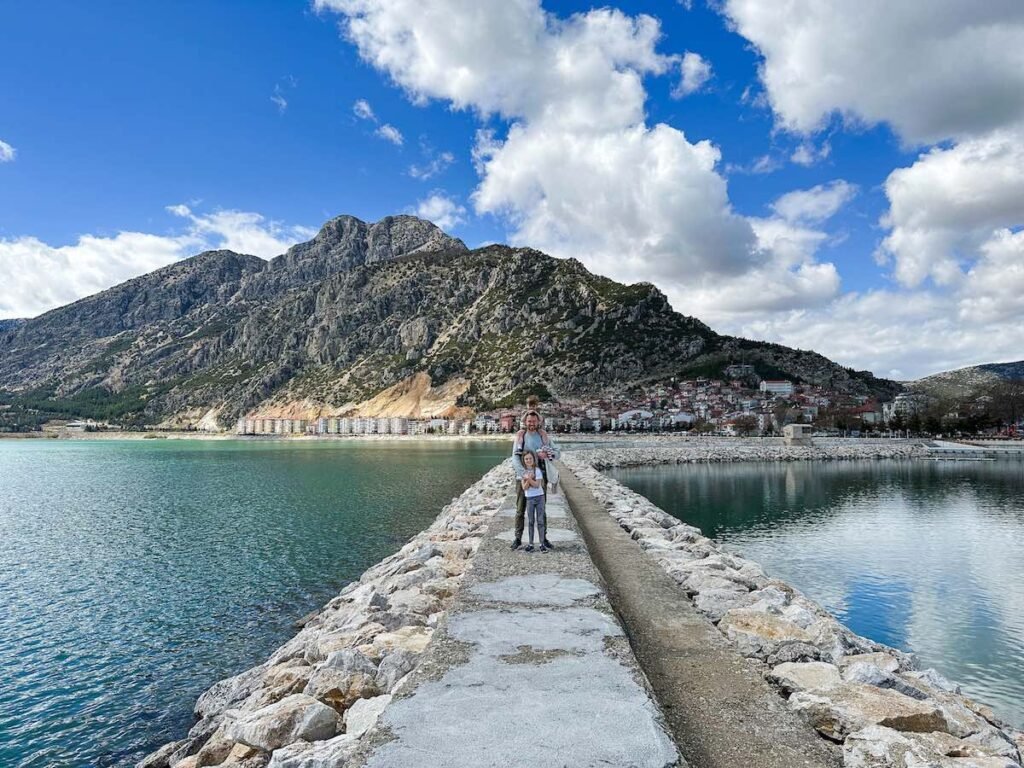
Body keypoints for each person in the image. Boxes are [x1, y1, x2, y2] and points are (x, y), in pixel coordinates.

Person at [511, 403, 559, 550]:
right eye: (529, 421)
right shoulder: (520, 437)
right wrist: (524, 474)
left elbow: (558, 453)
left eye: (534, 421)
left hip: (540, 478)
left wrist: (548, 454)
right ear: (525, 422)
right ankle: (518, 539)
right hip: (523, 479)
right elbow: (514, 458)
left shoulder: (544, 437)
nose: (531, 424)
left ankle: (543, 538)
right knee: (520, 509)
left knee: (541, 510)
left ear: (538, 422)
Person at [520, 450, 548, 552]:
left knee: (540, 521)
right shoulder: (523, 472)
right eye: (526, 459)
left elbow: (537, 485)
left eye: (530, 458)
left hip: (539, 497)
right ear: (524, 460)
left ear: (533, 459)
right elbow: (524, 488)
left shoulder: (537, 470)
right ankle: (531, 544)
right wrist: (528, 479)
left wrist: (530, 479)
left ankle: (541, 543)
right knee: (530, 521)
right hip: (529, 499)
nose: (528, 460)